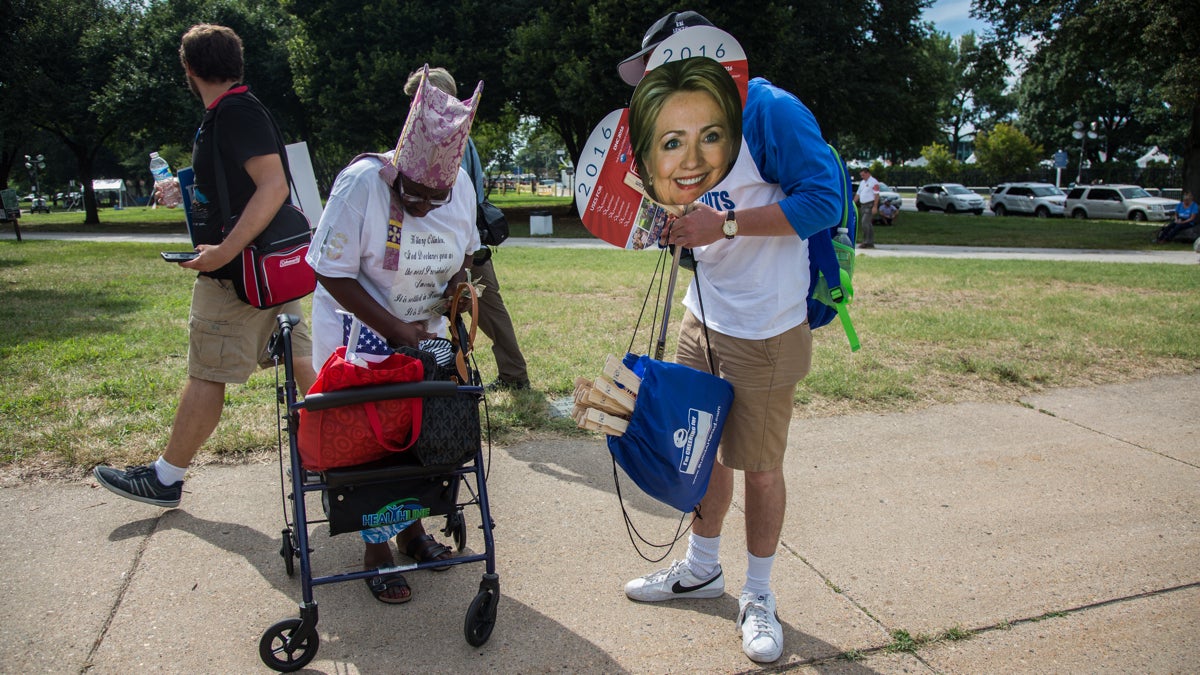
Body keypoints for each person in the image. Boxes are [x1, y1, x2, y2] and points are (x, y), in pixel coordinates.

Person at [618, 11, 844, 665]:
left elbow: (823, 202)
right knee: (702, 453)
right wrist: (676, 224)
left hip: (767, 327)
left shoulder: (769, 111)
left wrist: (724, 229)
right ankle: (700, 568)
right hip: (704, 316)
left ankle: (760, 596)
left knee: (760, 467)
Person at [93, 24, 316, 508]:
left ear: (189, 69)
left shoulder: (233, 113)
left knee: (207, 373)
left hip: (237, 273)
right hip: (262, 269)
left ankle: (166, 477)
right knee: (298, 357)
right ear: (236, 63)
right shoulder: (235, 110)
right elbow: (238, 183)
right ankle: (340, 456)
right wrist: (189, 189)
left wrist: (223, 251)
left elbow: (273, 186)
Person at [306, 65, 483, 604]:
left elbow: (465, 254)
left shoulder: (459, 189)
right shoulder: (363, 181)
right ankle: (376, 549)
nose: (427, 206)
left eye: (438, 197)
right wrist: (397, 331)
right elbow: (329, 269)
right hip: (360, 334)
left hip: (424, 335)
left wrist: (456, 297)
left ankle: (412, 532)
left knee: (419, 440)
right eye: (414, 195)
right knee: (373, 443)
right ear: (399, 168)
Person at [405, 68, 531, 390]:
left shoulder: (448, 141)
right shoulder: (460, 138)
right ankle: (505, 374)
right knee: (482, 310)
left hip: (459, 247)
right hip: (461, 245)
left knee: (481, 309)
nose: (412, 109)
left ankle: (510, 376)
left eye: (418, 101)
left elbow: (448, 203)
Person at [628, 56, 742, 206]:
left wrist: (726, 224)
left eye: (710, 137)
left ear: (732, 144)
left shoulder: (761, 107)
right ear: (647, 162)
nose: (692, 162)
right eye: (673, 143)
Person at [855, 168, 880, 248]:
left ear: (868, 173)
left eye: (863, 175)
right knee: (868, 224)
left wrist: (875, 206)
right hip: (863, 205)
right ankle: (870, 242)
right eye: (861, 175)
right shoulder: (862, 183)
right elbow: (858, 193)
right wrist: (853, 203)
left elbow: (876, 195)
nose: (862, 177)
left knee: (865, 222)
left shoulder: (874, 182)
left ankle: (866, 241)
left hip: (869, 205)